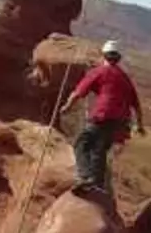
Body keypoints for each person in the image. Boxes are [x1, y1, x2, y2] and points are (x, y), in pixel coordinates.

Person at [58, 40, 145, 193]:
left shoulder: (99, 72)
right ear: (118, 58)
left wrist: (66, 107)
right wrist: (140, 125)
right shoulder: (124, 77)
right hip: (120, 123)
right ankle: (97, 183)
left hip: (103, 116)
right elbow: (136, 104)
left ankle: (85, 178)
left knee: (82, 143)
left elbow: (78, 93)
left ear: (103, 55)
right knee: (100, 149)